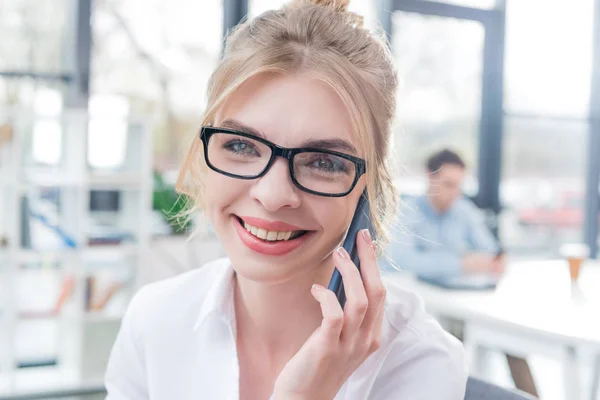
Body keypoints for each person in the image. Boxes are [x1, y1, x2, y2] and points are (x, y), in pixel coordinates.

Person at [104, 1, 467, 399]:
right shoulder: (154, 321)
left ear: (368, 189)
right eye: (241, 145)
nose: (273, 195)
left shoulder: (420, 364)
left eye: (325, 162)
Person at [384, 149, 504, 280]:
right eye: (449, 184)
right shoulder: (406, 212)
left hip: (454, 294)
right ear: (430, 176)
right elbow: (402, 261)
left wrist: (495, 260)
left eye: (459, 186)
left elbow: (491, 252)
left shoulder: (464, 209)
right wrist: (461, 264)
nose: (455, 193)